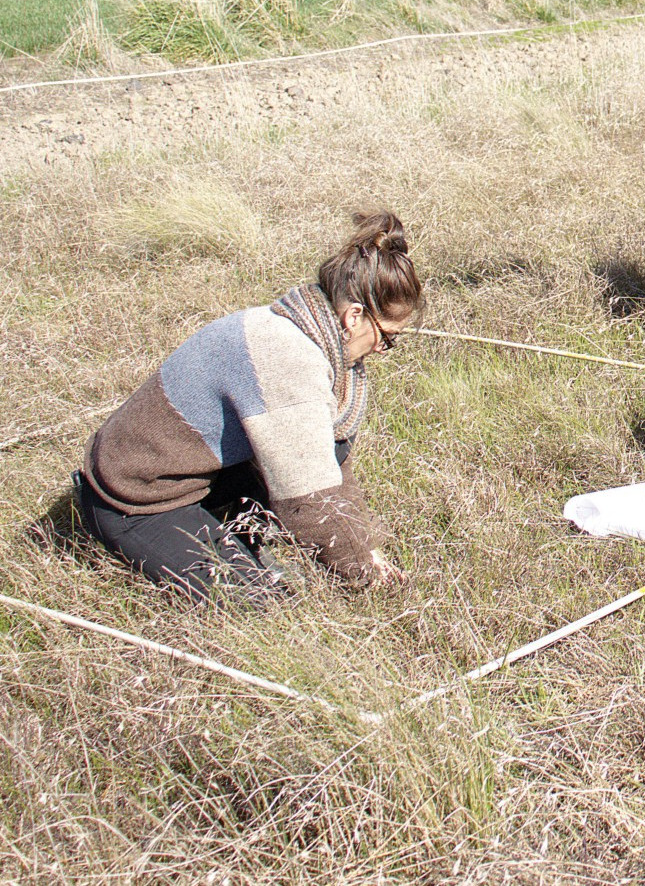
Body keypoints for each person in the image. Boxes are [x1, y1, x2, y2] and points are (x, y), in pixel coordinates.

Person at [71, 211, 422, 603]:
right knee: (265, 606)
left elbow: (333, 465)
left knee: (309, 488)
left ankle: (229, 527)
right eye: (386, 338)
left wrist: (368, 549)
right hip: (136, 496)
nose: (382, 350)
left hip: (197, 473)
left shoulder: (306, 328)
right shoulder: (287, 360)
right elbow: (308, 501)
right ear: (354, 315)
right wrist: (367, 577)